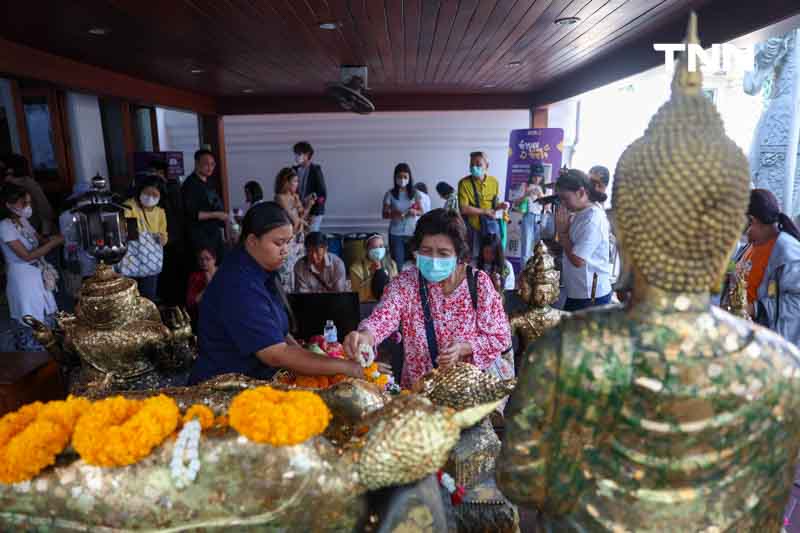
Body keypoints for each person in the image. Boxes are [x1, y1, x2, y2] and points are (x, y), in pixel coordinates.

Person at [498, 24, 800, 530]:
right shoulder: (782, 368)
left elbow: (521, 478)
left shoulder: (568, 348)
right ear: (730, 237)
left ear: (627, 231)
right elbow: (772, 504)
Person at [188, 202, 363, 384]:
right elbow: (275, 353)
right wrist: (346, 367)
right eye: (279, 243)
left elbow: (278, 333)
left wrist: (308, 358)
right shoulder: (238, 284)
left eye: (288, 242)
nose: (285, 250)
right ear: (252, 241)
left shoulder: (262, 269)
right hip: (223, 388)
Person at [344, 209, 512, 389]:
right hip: (420, 394)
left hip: (468, 395)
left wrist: (464, 347)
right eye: (426, 251)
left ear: (459, 255)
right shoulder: (406, 283)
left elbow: (501, 337)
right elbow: (383, 318)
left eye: (443, 253)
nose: (433, 260)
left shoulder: (478, 283)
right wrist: (365, 337)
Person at [0, 183, 63, 350]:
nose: (28, 207)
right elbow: (26, 256)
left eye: (29, 203)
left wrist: (52, 237)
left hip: (37, 273)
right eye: (24, 203)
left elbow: (40, 240)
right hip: (22, 278)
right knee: (32, 320)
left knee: (47, 315)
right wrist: (52, 244)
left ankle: (51, 356)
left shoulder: (22, 220)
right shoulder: (5, 226)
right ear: (9, 204)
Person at [737, 189, 800, 345]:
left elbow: (796, 301)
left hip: (772, 345)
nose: (744, 236)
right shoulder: (751, 246)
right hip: (747, 332)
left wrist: (756, 308)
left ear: (752, 220)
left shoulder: (787, 252)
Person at [554, 168, 611, 311]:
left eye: (565, 199)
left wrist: (563, 233)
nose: (563, 204)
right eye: (560, 199)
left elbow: (578, 260)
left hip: (591, 294)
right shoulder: (580, 212)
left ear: (580, 193)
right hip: (578, 290)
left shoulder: (593, 219)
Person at [121, 177, 168, 301]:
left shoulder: (160, 212)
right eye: (147, 193)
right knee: (131, 298)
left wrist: (162, 239)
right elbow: (128, 232)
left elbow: (164, 234)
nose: (150, 197)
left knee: (149, 297)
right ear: (140, 191)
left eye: (154, 194)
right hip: (132, 259)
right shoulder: (129, 206)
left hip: (151, 262)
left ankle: (148, 319)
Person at [457, 151, 508, 258]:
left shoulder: (494, 182)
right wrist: (485, 211)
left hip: (490, 228)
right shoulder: (464, 183)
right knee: (473, 256)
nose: (474, 167)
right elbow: (464, 209)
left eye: (478, 165)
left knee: (491, 257)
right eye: (472, 165)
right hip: (473, 228)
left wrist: (501, 206)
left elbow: (494, 205)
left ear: (487, 166)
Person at [182, 149, 228, 263]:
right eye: (206, 164)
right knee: (205, 272)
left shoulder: (209, 182)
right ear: (197, 164)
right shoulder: (190, 185)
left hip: (214, 234)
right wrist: (216, 214)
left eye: (212, 164)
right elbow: (192, 214)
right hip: (200, 237)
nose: (210, 167)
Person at [274, 167, 311, 291]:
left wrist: (309, 205)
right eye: (294, 181)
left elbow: (302, 216)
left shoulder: (295, 196)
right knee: (287, 271)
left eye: (297, 181)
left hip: (299, 238)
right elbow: (295, 220)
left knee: (300, 269)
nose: (297, 184)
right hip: (288, 238)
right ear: (286, 182)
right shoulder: (280, 197)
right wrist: (302, 221)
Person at [1, 153, 55, 235]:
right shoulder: (5, 186)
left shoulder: (28, 183)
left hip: (32, 231)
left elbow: (45, 210)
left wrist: (45, 234)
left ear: (10, 170)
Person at [383, 163, 422, 266]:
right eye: (399, 177)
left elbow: (421, 211)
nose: (402, 179)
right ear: (395, 178)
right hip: (396, 234)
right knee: (398, 264)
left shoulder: (415, 193)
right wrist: (393, 214)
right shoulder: (390, 194)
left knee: (416, 264)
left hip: (412, 232)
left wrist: (414, 212)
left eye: (405, 177)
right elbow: (384, 214)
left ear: (409, 178)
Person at [349, 233, 398, 303]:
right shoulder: (355, 269)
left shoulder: (391, 264)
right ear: (367, 250)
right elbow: (359, 297)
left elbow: (395, 290)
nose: (378, 250)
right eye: (374, 247)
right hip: (367, 304)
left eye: (381, 246)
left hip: (388, 303)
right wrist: (371, 276)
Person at [513, 162, 545, 265]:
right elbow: (515, 203)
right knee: (526, 248)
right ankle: (524, 276)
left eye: (539, 176)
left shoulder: (545, 187)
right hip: (528, 216)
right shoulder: (525, 185)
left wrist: (540, 196)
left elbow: (548, 207)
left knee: (539, 248)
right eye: (535, 176)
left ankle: (536, 275)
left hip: (541, 218)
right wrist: (526, 194)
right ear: (531, 175)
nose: (536, 179)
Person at [293, 141, 327, 231]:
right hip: (299, 211)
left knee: (311, 236)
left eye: (299, 153)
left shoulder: (315, 170)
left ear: (307, 154)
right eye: (295, 153)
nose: (296, 156)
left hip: (313, 211)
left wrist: (314, 213)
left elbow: (322, 194)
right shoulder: (294, 170)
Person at [186, 247, 218, 323]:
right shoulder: (195, 277)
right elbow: (192, 302)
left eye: (207, 259)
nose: (204, 262)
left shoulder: (224, 273)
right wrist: (207, 287)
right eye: (201, 259)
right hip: (205, 315)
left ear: (214, 259)